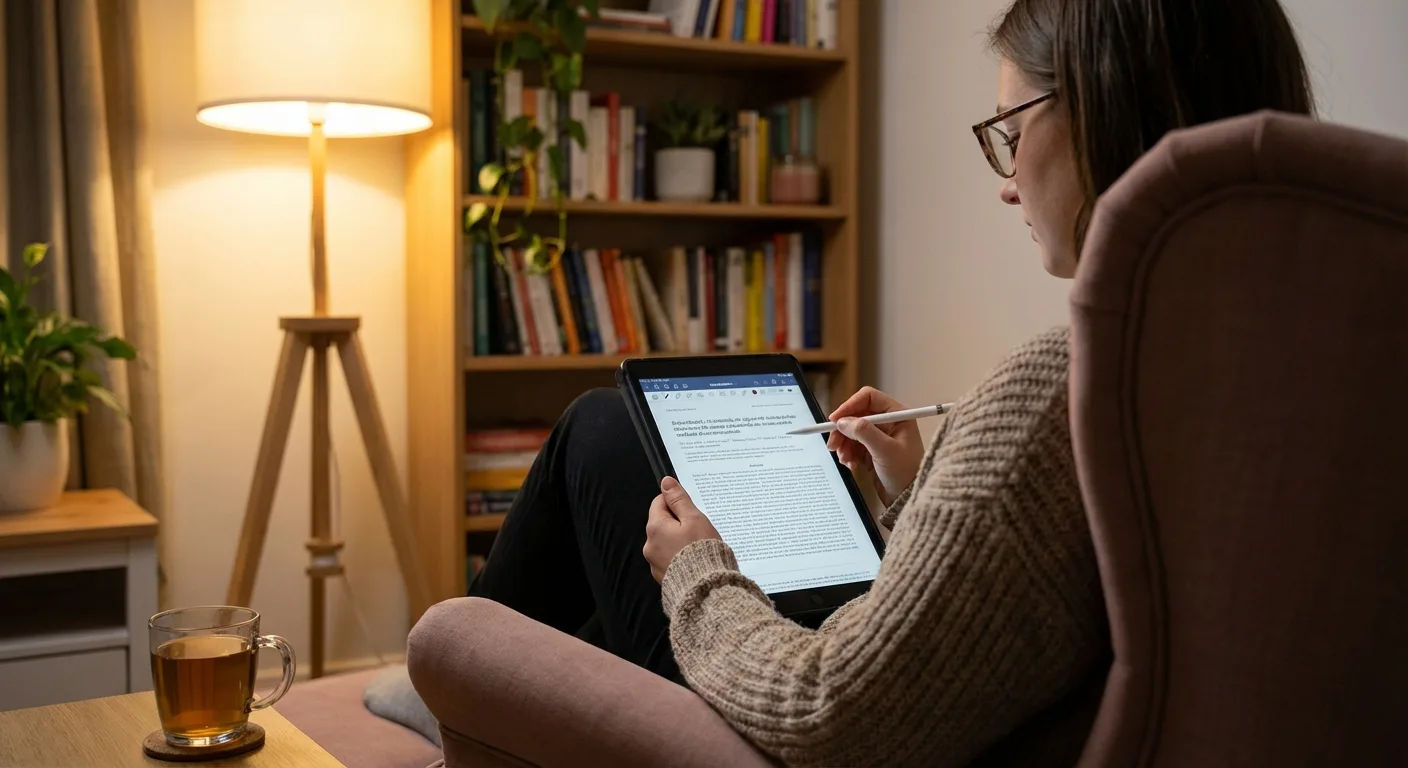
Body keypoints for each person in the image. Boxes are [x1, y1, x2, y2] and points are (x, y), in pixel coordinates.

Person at [468, 0, 1315, 764]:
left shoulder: (1066, 383)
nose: (1007, 184)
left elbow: (825, 711)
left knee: (599, 431)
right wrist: (921, 496)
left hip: (814, 742)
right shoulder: (1290, 375)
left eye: (1011, 131)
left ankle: (461, 690)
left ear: (1102, 111)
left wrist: (699, 573)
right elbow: (1032, 615)